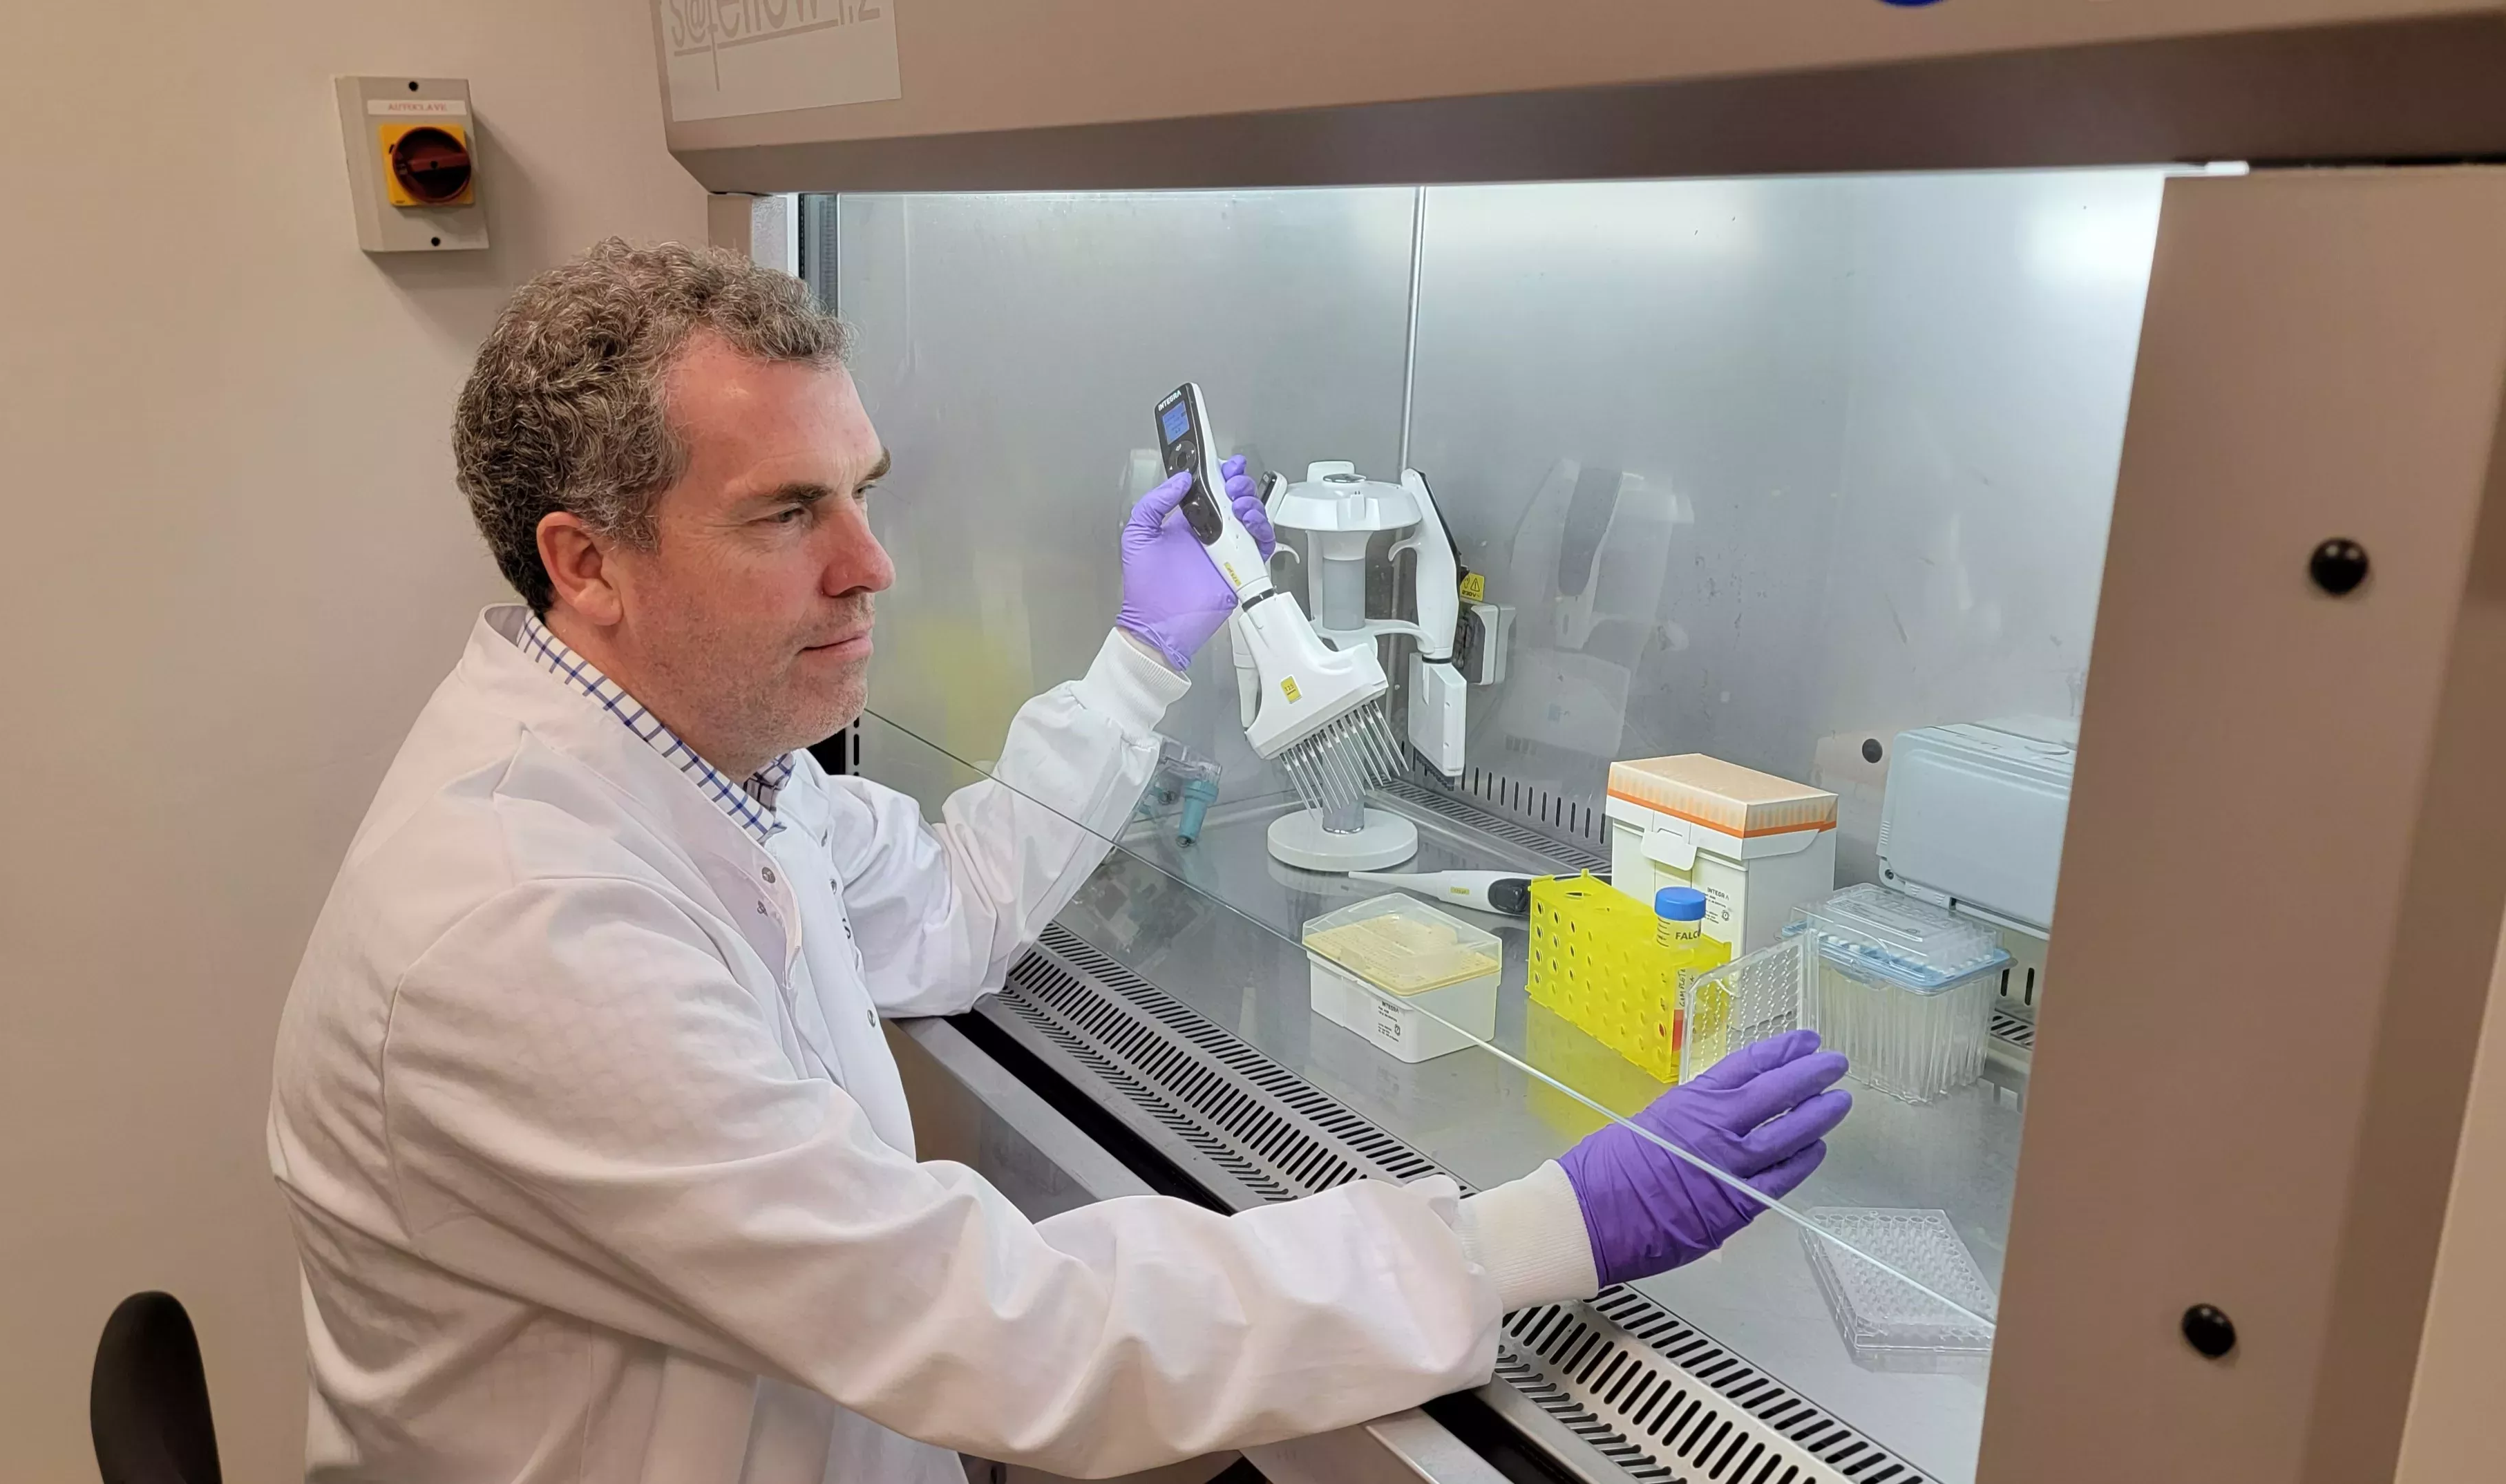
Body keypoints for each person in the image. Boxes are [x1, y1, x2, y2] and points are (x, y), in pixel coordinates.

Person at [266, 240, 1851, 1484]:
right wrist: (1529, 1235)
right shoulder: (523, 929)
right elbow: (1005, 1337)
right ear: (586, 561)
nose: (869, 564)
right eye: (785, 514)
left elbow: (950, 910)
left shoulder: (709, 772)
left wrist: (1147, 653)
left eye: (864, 494)